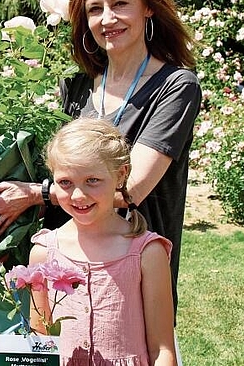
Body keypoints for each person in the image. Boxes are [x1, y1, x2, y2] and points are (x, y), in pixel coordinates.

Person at [0, 0, 201, 322]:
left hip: (135, 276)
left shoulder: (174, 87)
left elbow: (130, 191)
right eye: (95, 9)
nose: (107, 19)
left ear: (148, 7)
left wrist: (33, 195)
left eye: (120, 4)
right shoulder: (76, 87)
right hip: (66, 277)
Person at [29, 117, 177, 365]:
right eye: (65, 182)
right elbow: (40, 339)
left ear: (120, 175)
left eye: (92, 181)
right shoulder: (43, 254)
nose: (78, 195)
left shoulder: (147, 253)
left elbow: (161, 350)